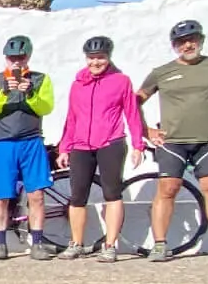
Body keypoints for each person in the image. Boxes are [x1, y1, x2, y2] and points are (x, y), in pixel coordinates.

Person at [137, 19, 208, 263]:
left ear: (201, 40)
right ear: (174, 45)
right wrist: (146, 131)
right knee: (167, 189)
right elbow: (136, 100)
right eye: (181, 42)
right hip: (172, 141)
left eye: (192, 39)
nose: (187, 45)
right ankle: (159, 245)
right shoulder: (161, 72)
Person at [56, 36, 146, 261]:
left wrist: (138, 144)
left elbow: (132, 114)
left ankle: (109, 245)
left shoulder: (121, 81)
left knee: (112, 194)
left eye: (101, 58)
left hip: (111, 143)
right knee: (77, 196)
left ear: (109, 57)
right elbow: (72, 117)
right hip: (80, 145)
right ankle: (76, 243)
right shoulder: (77, 84)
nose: (96, 62)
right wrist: (64, 147)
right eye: (91, 58)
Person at [0, 35, 58, 261]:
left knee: (36, 195)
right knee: (1, 196)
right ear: (5, 58)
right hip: (3, 143)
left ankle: (37, 243)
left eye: (21, 58)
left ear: (28, 57)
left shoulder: (40, 79)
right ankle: (1, 244)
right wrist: (5, 92)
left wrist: (30, 94)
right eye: (12, 58)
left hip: (31, 141)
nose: (16, 62)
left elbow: (46, 107)